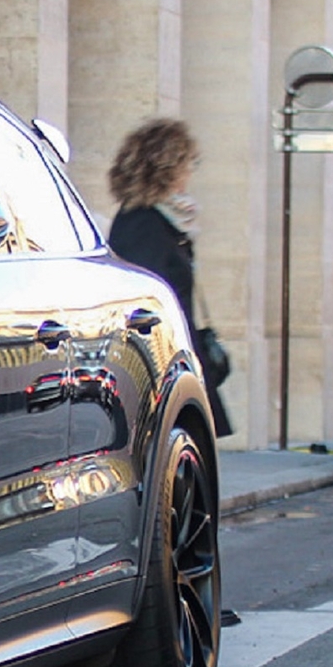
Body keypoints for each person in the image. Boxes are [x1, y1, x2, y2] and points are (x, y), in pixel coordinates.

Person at [105, 117, 232, 440]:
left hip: (177, 360)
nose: (191, 173)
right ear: (167, 168)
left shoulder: (167, 221)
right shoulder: (142, 225)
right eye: (189, 163)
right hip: (160, 369)